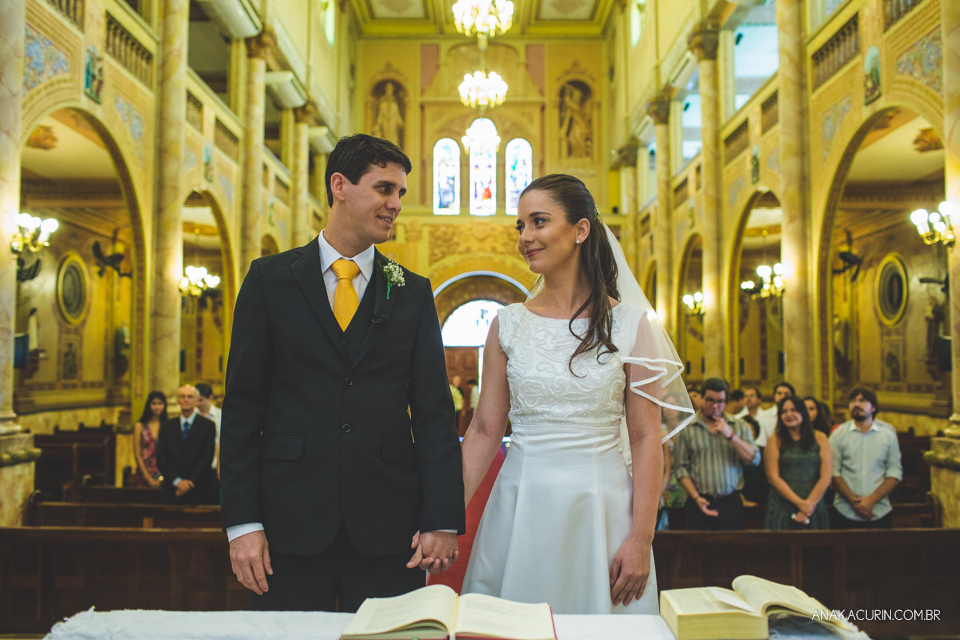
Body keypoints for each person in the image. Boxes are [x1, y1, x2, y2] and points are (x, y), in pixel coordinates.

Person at [220, 134, 464, 613]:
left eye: (400, 193)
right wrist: (243, 523)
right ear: (340, 186)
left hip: (389, 524)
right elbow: (243, 407)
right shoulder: (269, 280)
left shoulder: (412, 292)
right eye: (384, 189)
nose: (396, 204)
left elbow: (434, 413)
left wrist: (441, 518)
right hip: (288, 521)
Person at [460, 174, 694, 614]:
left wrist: (641, 538)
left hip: (601, 509)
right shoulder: (508, 324)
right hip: (522, 506)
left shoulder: (630, 325)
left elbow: (646, 437)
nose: (525, 237)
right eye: (521, 226)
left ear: (580, 229)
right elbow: (485, 429)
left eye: (539, 222)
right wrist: (444, 516)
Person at [672, 378, 761, 530]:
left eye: (720, 401)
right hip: (698, 501)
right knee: (696, 545)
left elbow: (754, 459)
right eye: (710, 400)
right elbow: (680, 469)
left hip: (730, 502)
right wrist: (696, 497)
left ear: (726, 401)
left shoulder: (739, 426)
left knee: (732, 545)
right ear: (701, 398)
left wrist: (731, 436)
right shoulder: (686, 428)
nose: (714, 406)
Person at [830, 387, 902, 529]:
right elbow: (834, 472)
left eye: (862, 401)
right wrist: (854, 502)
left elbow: (894, 472)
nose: (856, 404)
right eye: (853, 401)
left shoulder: (888, 435)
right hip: (845, 511)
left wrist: (871, 501)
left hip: (879, 510)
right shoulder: (838, 434)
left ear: (873, 407)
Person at [763, 396, 832, 530]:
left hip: (813, 503)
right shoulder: (775, 439)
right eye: (784, 411)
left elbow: (826, 477)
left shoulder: (820, 438)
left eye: (794, 410)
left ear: (803, 412)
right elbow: (772, 477)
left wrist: (808, 505)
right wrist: (800, 503)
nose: (789, 414)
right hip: (782, 505)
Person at [156, 385, 217, 505]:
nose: (186, 399)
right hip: (172, 490)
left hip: (199, 489)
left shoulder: (208, 426)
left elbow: (207, 457)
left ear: (197, 400)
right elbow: (161, 458)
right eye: (182, 396)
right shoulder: (166, 426)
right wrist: (177, 482)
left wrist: (189, 483)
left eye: (190, 396)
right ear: (177, 400)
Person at [129, 391, 167, 489]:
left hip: (163, 473)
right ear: (149, 405)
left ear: (164, 405)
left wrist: (161, 478)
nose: (157, 407)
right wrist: (147, 477)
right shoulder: (140, 426)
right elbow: (137, 454)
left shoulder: (168, 426)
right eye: (154, 403)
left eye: (160, 403)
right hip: (144, 472)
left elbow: (171, 454)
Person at [755, 382, 796, 448]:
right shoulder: (763, 417)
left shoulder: (796, 416)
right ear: (774, 396)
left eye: (786, 394)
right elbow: (761, 443)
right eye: (779, 393)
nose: (783, 396)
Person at [195, 383, 222, 472]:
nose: (197, 403)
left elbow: (220, 441)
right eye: (196, 399)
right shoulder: (193, 415)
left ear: (210, 397)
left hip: (215, 464)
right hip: (195, 465)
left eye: (201, 400)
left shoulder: (220, 415)